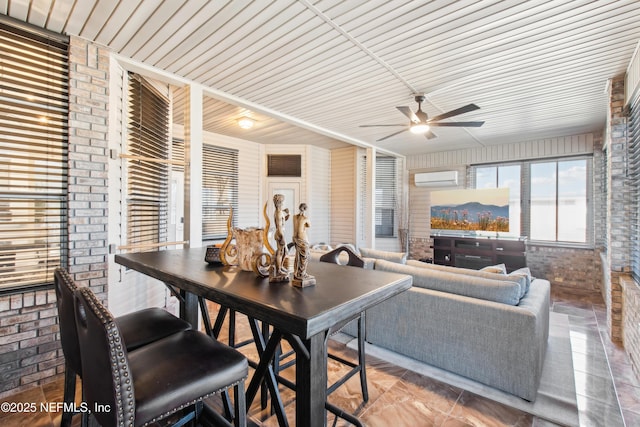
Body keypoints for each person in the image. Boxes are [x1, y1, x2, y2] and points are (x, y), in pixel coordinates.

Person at [292, 203, 314, 284]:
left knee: (298, 256)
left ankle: (297, 273)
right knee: (305, 256)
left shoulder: (294, 217)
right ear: (305, 209)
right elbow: (309, 225)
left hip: (296, 238)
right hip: (303, 238)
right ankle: (302, 273)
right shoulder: (305, 218)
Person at [270, 194, 290, 281]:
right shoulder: (278, 213)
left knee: (285, 252)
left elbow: (283, 220)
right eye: (282, 201)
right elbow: (279, 226)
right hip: (279, 234)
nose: (283, 203)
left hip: (281, 233)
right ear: (280, 202)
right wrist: (282, 238)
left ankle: (280, 267)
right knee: (280, 252)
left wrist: (287, 214)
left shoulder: (280, 211)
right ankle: (278, 270)